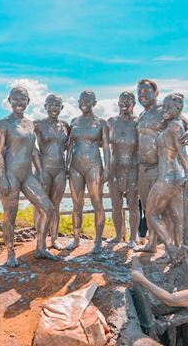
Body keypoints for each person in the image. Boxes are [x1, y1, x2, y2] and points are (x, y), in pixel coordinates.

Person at [0, 86, 57, 267]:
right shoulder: (3, 124)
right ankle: (10, 252)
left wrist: (42, 171)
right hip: (10, 174)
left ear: (28, 102)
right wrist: (2, 176)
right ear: (9, 101)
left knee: (48, 208)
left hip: (27, 175)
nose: (19, 103)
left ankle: (41, 247)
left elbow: (34, 152)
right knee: (10, 216)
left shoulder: (30, 124)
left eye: (23, 99)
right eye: (15, 99)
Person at [134, 79, 188, 253]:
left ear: (156, 93)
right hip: (143, 168)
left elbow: (187, 123)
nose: (143, 95)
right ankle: (151, 243)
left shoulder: (164, 109)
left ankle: (172, 249)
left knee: (167, 212)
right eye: (140, 92)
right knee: (148, 208)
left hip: (160, 168)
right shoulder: (140, 116)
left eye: (146, 92)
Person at [144, 93, 188, 260]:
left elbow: (182, 151)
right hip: (174, 177)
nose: (164, 110)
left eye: (168, 107)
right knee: (176, 216)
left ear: (178, 109)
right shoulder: (172, 125)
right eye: (163, 106)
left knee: (151, 214)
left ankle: (171, 248)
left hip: (167, 177)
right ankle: (180, 252)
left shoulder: (176, 126)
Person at [65, 90, 110, 254]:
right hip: (75, 166)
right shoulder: (74, 121)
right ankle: (76, 238)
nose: (85, 102)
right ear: (78, 102)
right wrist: (66, 165)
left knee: (97, 203)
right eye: (82, 100)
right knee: (77, 204)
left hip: (94, 166)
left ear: (94, 102)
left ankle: (98, 241)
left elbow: (106, 147)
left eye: (88, 100)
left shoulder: (101, 122)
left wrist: (107, 168)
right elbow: (70, 146)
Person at [33, 94, 70, 251]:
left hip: (60, 170)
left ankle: (54, 239)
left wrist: (68, 166)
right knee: (41, 207)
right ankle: (39, 240)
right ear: (45, 106)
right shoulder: (37, 124)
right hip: (44, 170)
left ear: (62, 107)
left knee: (55, 206)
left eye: (58, 104)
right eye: (51, 104)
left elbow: (69, 147)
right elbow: (25, 143)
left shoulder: (66, 126)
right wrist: (38, 161)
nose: (54, 107)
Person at [107, 91, 140, 247]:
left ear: (134, 103)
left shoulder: (138, 122)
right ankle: (119, 235)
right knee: (116, 205)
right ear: (118, 102)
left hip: (133, 169)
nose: (124, 103)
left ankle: (133, 237)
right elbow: (104, 145)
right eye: (122, 100)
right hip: (115, 168)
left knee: (133, 205)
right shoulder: (111, 121)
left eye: (128, 100)